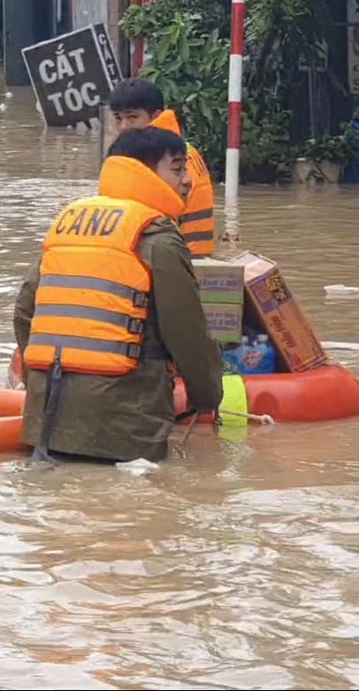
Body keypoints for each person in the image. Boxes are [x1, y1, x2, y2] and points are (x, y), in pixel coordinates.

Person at [15, 126, 224, 463]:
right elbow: (187, 333)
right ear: (143, 172)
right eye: (177, 168)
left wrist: (40, 383)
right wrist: (208, 395)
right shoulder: (158, 238)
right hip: (123, 428)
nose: (188, 180)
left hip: (46, 421)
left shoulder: (69, 222)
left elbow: (25, 312)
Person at [106, 78, 218, 257]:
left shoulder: (161, 159)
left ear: (156, 116)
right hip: (193, 257)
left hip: (176, 258)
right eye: (118, 118)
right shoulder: (179, 151)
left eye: (132, 117)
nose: (123, 127)